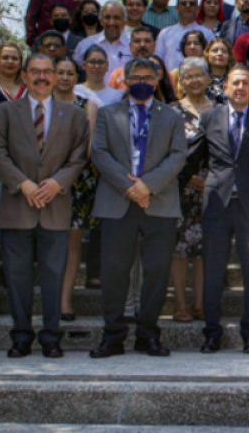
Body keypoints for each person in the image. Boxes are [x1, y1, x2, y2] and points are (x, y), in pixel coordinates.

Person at [0, 53, 90, 358]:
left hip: (55, 208)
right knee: (17, 279)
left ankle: (51, 337)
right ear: (24, 75)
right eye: (36, 72)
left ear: (57, 77)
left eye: (48, 72)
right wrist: (22, 183)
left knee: (53, 278)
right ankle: (21, 337)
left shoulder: (74, 114)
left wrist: (58, 182)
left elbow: (79, 156)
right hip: (17, 206)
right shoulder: (5, 111)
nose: (42, 77)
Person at [88, 57, 188, 358]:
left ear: (156, 81)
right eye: (136, 76)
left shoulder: (171, 116)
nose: (142, 81)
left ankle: (148, 336)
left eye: (148, 76)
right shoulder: (107, 114)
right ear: (126, 80)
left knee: (156, 273)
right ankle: (113, 337)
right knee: (115, 272)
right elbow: (99, 152)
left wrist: (147, 186)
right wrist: (130, 187)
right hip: (118, 202)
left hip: (159, 203)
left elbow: (178, 155)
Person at [183, 66, 249, 354]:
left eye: (245, 83)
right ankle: (212, 333)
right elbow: (192, 156)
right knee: (213, 272)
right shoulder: (209, 117)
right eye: (235, 83)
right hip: (216, 205)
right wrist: (176, 181)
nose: (239, 88)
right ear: (225, 88)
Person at [51, 57, 99, 322]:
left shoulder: (88, 105)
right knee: (50, 242)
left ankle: (65, 300)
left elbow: (87, 145)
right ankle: (50, 297)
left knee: (73, 243)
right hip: (45, 180)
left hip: (79, 180)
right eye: (60, 72)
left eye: (70, 73)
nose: (65, 77)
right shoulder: (41, 106)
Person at [169, 58, 214, 323]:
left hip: (213, 190)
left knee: (204, 251)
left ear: (208, 79)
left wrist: (210, 180)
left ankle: (200, 303)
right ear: (181, 81)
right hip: (179, 189)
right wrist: (188, 179)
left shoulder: (220, 110)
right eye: (189, 76)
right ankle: (180, 304)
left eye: (200, 75)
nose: (195, 80)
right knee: (179, 249)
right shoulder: (171, 111)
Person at [158, 0, 216, 71]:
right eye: (184, 3)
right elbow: (158, 60)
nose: (188, 6)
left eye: (192, 3)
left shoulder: (207, 33)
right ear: (176, 8)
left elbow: (212, 60)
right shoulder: (165, 33)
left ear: (197, 9)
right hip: (171, 81)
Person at [73, 1, 132, 78]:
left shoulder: (132, 46)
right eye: (107, 17)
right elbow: (75, 72)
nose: (111, 22)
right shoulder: (85, 45)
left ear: (125, 22)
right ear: (100, 21)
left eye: (116, 18)